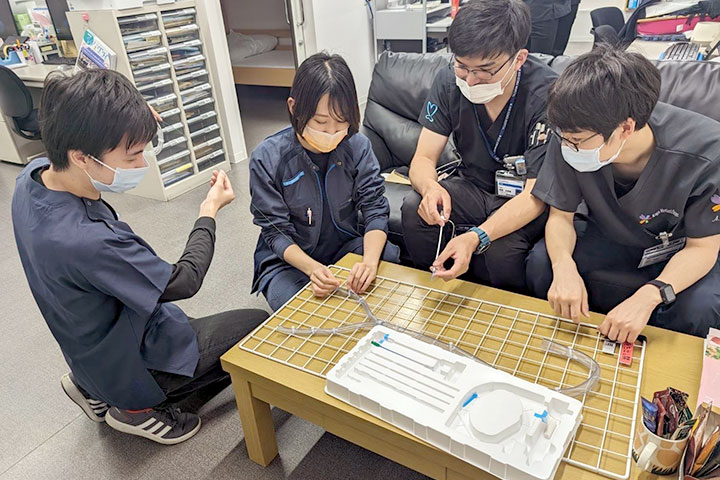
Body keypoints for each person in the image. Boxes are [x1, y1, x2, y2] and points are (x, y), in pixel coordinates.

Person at [11, 69, 268, 444]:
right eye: (132, 156)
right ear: (81, 156)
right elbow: (184, 280)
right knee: (256, 326)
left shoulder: (32, 177)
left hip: (86, 344)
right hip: (129, 360)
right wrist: (208, 211)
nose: (142, 164)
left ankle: (88, 386)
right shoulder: (86, 240)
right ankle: (134, 410)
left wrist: (128, 121)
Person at [526, 46, 720, 342]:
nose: (567, 148)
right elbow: (560, 216)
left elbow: (702, 248)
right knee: (543, 262)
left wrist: (650, 295)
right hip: (609, 236)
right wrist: (563, 266)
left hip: (679, 250)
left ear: (626, 128)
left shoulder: (707, 151)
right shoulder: (570, 133)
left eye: (576, 141)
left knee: (701, 307)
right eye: (563, 138)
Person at [401, 0, 556, 292]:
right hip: (473, 188)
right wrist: (430, 188)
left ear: (519, 59)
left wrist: (476, 237)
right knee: (414, 208)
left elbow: (536, 195)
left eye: (485, 70)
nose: (471, 80)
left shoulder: (546, 95)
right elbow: (423, 157)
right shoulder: (449, 82)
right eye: (462, 66)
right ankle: (434, 291)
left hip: (522, 199)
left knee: (501, 248)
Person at [250, 52, 399, 311]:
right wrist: (313, 269)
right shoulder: (268, 157)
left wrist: (370, 264)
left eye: (341, 122)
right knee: (298, 308)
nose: (332, 133)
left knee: (388, 260)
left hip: (343, 245)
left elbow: (375, 209)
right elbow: (275, 232)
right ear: (294, 107)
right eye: (321, 122)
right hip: (289, 261)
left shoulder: (357, 146)